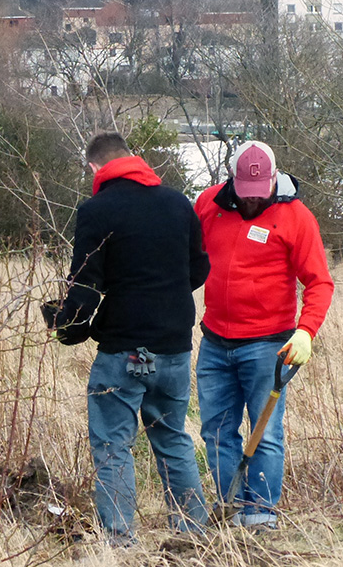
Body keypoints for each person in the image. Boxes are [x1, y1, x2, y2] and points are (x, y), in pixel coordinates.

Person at [42, 132, 210, 546]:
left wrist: (66, 326)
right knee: (172, 437)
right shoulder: (177, 203)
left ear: (95, 168)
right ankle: (192, 533)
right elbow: (199, 270)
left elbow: (84, 288)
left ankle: (119, 541)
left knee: (113, 444)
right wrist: (161, 299)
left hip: (125, 351)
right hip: (173, 347)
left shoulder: (97, 211)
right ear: (133, 159)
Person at [194, 140, 334, 530]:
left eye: (259, 194)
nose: (252, 202)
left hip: (267, 345)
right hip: (215, 342)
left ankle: (260, 516)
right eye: (245, 194)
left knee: (265, 433)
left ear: (274, 179)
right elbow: (185, 255)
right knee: (216, 433)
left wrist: (306, 331)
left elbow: (319, 282)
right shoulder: (209, 205)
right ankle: (231, 508)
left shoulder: (296, 218)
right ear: (232, 180)